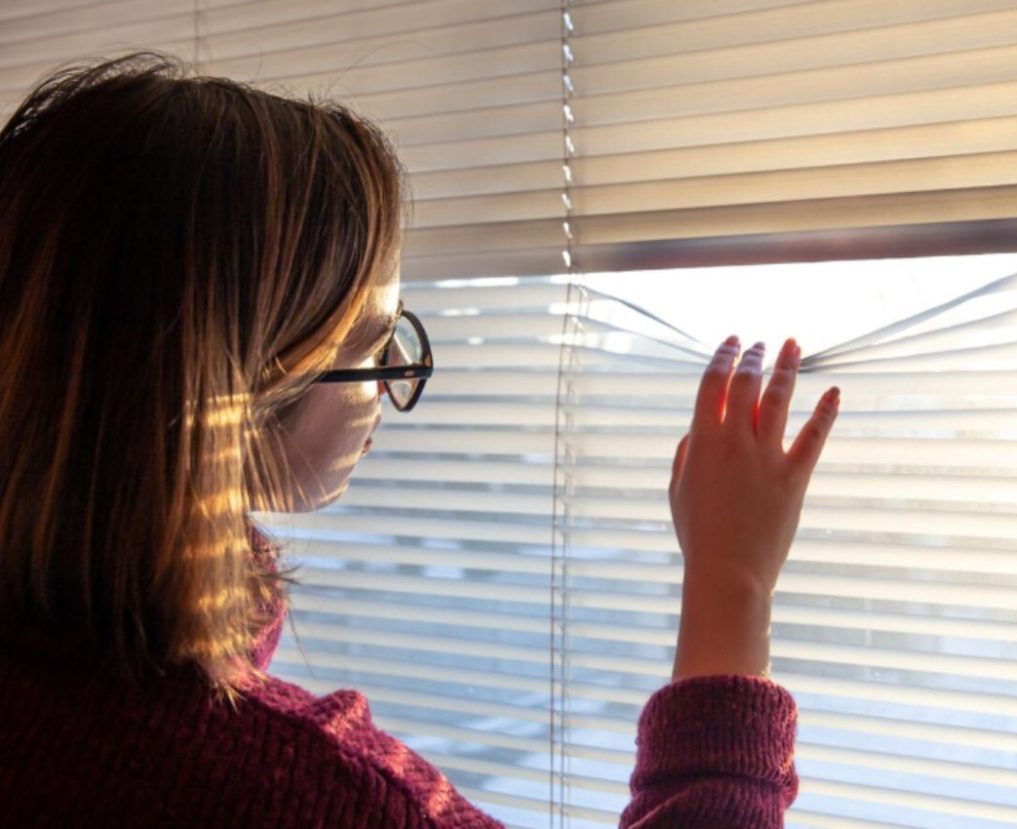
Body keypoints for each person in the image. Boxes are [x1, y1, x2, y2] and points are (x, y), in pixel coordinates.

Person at [0, 52, 840, 828]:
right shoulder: (314, 793)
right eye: (367, 342)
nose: (397, 377)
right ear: (236, 384)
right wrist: (733, 582)